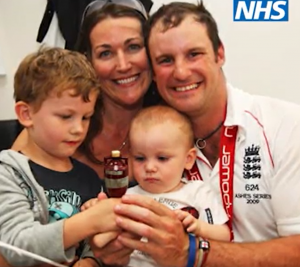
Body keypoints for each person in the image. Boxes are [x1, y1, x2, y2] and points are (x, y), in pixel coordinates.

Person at [89, 2, 300, 267]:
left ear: (219, 53)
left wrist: (194, 253)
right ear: (153, 73)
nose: (181, 72)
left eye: (194, 54)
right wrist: (111, 251)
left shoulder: (284, 125)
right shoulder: (154, 141)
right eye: (165, 60)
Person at [13, 0, 162, 180]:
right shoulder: (52, 128)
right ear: (88, 60)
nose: (123, 65)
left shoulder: (175, 124)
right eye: (105, 53)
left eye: (133, 47)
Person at [0, 47, 119, 267]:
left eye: (86, 117)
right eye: (66, 116)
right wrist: (88, 221)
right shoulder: (7, 173)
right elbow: (15, 246)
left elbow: (96, 247)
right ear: (26, 114)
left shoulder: (89, 178)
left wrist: (91, 261)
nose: (78, 129)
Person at [83, 105, 230, 267]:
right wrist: (95, 209)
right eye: (140, 158)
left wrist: (200, 228)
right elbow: (105, 236)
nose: (149, 167)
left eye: (161, 158)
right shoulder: (125, 197)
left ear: (188, 159)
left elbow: (225, 235)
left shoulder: (198, 192)